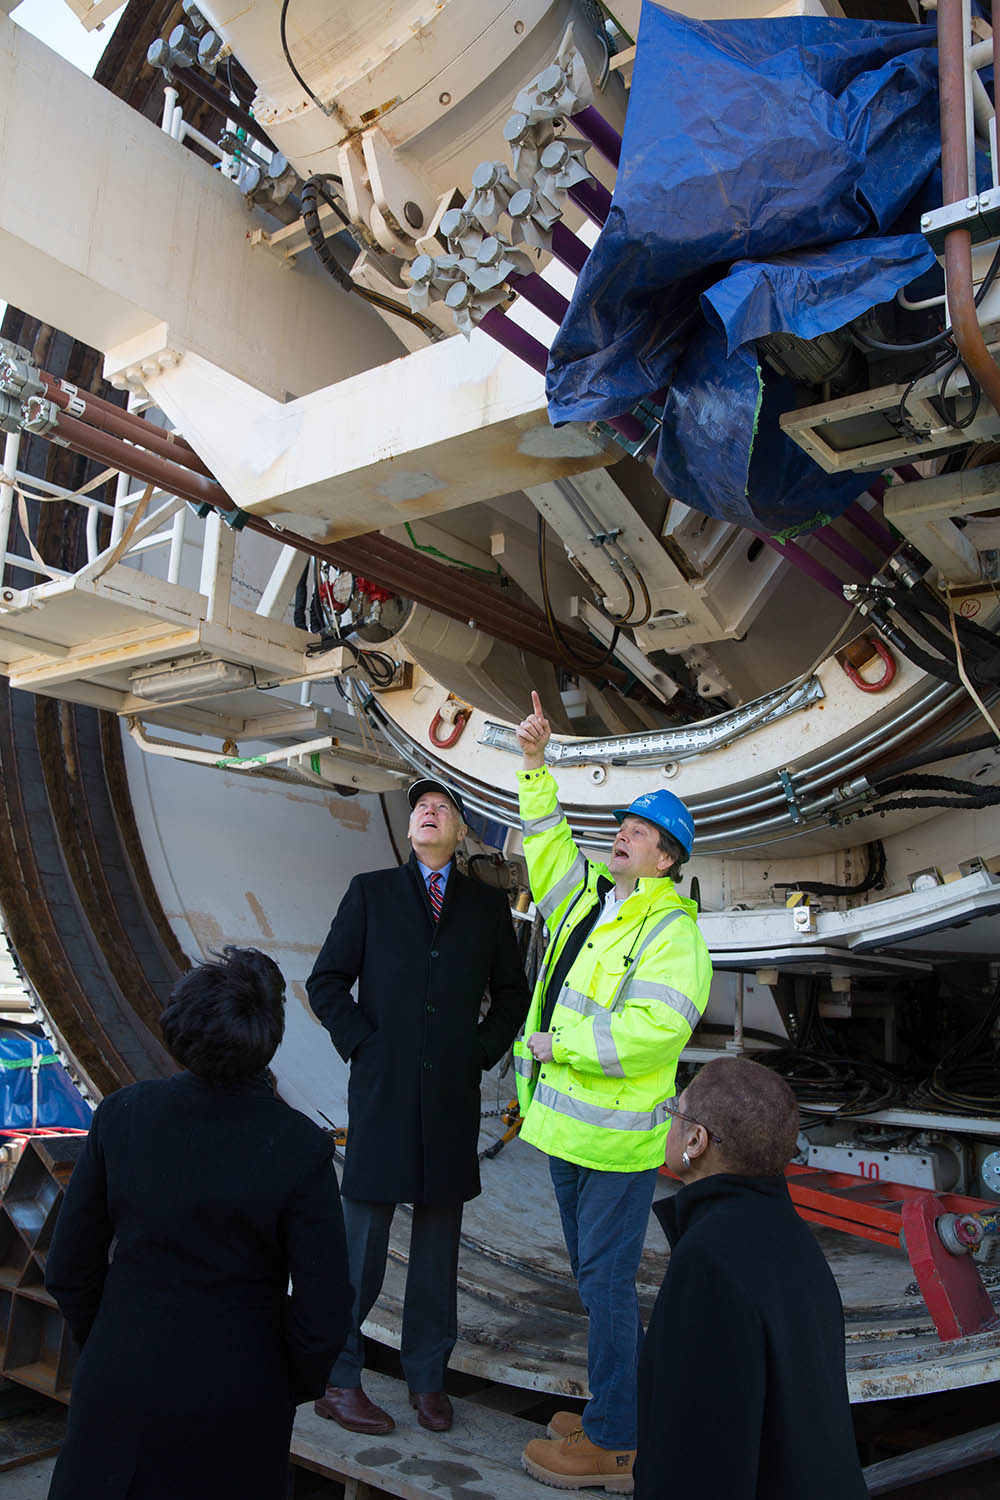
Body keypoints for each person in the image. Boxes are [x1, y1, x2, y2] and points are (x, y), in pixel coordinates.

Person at [45, 947, 351, 1500]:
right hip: (238, 1392)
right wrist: (282, 1382)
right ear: (270, 1038)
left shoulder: (122, 1114)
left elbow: (69, 1268)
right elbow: (324, 1306)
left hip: (119, 1375)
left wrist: (113, 1340)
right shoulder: (300, 1147)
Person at [515, 692, 712, 1492]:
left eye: (637, 831)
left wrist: (554, 1046)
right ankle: (610, 1406)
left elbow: (648, 1035)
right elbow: (545, 841)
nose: (620, 835)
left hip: (615, 1145)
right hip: (563, 1134)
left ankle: (615, 1442)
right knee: (594, 1282)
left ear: (667, 858)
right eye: (622, 826)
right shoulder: (594, 900)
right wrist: (535, 763)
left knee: (605, 1284)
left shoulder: (676, 935)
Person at [306, 777, 531, 1436]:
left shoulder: (488, 907)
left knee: (438, 1251)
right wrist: (364, 1048)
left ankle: (428, 1377)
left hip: (449, 1100)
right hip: (380, 1095)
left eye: (444, 808)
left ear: (462, 832)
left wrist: (480, 1052)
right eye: (421, 809)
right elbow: (326, 982)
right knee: (360, 1248)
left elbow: (514, 994)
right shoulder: (370, 893)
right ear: (410, 830)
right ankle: (338, 1378)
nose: (429, 812)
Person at [635, 1057, 868, 1499]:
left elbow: (693, 1456)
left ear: (696, 1140)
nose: (669, 1126)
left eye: (675, 1114)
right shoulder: (793, 1238)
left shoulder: (708, 1261)